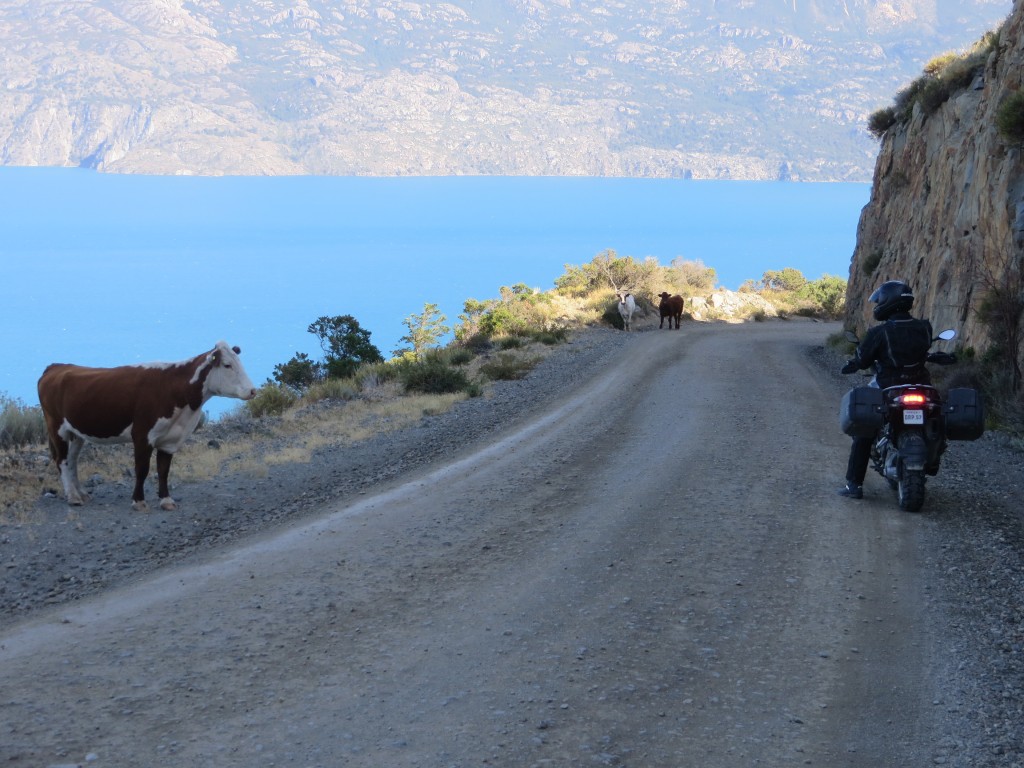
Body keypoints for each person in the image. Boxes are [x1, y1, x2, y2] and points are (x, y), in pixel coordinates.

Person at [838, 280, 934, 499]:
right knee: (935, 418)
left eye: (880, 300)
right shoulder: (924, 327)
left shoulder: (879, 333)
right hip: (922, 386)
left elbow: (862, 359)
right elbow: (924, 351)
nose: (877, 304)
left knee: (864, 431)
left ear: (888, 302)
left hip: (889, 386)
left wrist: (853, 364)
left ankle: (854, 485)